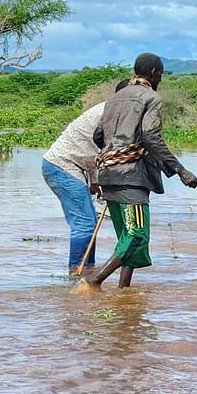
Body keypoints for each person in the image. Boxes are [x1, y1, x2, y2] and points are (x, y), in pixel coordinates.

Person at [83, 53, 197, 290]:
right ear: (155, 73)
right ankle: (94, 280)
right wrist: (181, 170)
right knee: (137, 235)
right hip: (131, 178)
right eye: (161, 76)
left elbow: (98, 136)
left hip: (108, 175)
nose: (160, 81)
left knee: (127, 238)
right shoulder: (151, 98)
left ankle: (124, 291)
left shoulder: (114, 99)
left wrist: (114, 154)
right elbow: (151, 137)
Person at [41, 79, 130, 274]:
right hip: (62, 165)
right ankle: (76, 272)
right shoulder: (110, 114)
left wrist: (95, 181)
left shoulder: (112, 112)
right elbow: (106, 149)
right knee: (84, 223)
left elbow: (92, 150)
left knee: (88, 221)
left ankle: (86, 270)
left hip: (71, 165)